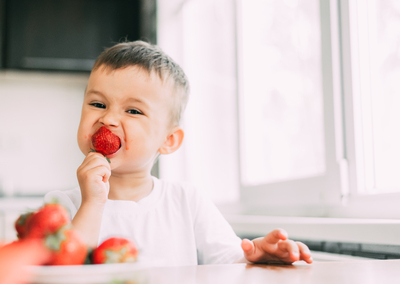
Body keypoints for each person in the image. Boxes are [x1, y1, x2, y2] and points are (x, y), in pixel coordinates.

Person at [45, 41, 313, 266]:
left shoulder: (186, 202)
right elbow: (63, 273)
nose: (109, 118)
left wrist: (256, 257)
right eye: (98, 103)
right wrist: (92, 203)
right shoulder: (60, 206)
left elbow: (229, 262)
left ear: (169, 140)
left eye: (133, 110)